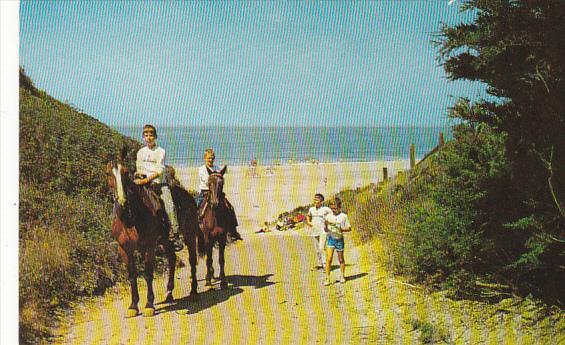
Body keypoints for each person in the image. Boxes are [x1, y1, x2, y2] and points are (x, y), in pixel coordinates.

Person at [133, 124, 184, 252]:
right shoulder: (140, 152)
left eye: (151, 135)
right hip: (144, 184)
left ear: (155, 137)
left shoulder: (161, 151)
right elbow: (139, 168)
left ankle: (175, 234)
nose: (149, 138)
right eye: (146, 135)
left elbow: (159, 171)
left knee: (169, 205)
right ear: (143, 137)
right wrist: (138, 175)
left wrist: (145, 179)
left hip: (159, 184)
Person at [196, 148, 242, 241]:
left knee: (230, 207)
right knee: (197, 206)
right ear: (205, 158)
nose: (211, 160)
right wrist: (215, 180)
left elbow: (220, 180)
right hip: (205, 192)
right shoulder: (201, 169)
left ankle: (233, 230)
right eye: (209, 158)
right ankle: (195, 229)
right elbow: (206, 181)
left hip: (217, 192)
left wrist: (217, 181)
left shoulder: (217, 168)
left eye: (212, 158)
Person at [324, 197, 352, 285]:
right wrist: (325, 225)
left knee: (341, 259)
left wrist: (342, 229)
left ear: (339, 207)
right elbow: (325, 230)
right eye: (332, 208)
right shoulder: (328, 216)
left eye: (335, 208)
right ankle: (327, 278)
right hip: (330, 239)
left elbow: (349, 228)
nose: (333, 210)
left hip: (339, 239)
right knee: (329, 259)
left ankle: (342, 276)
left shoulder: (344, 216)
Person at [305, 193, 332, 270]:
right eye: (314, 199)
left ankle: (325, 265)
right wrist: (309, 222)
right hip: (314, 231)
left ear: (321, 201)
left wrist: (328, 224)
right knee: (317, 249)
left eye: (317, 199)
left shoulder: (326, 209)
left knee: (322, 248)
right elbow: (308, 216)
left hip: (323, 231)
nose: (315, 201)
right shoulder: (311, 209)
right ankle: (320, 263)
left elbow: (332, 216)